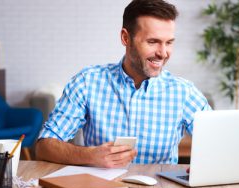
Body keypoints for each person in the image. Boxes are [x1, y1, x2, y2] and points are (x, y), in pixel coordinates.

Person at [36, 0, 212, 168]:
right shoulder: (87, 82)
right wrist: (90, 156)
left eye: (169, 43)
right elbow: (44, 146)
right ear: (125, 38)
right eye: (153, 42)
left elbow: (219, 142)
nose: (163, 53)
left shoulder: (183, 92)